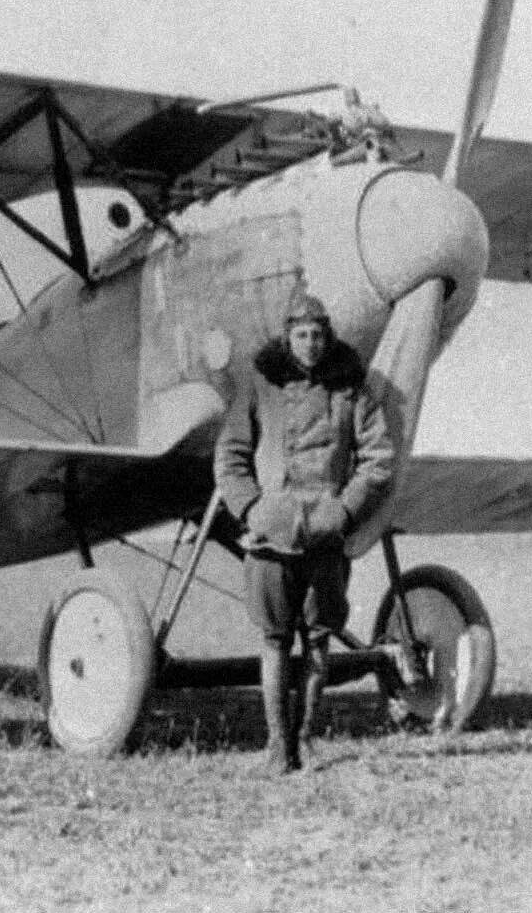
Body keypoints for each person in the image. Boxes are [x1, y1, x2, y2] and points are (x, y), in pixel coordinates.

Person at [213, 289, 395, 773]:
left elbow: (377, 460)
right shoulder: (259, 385)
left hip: (325, 536)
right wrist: (251, 510)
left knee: (317, 641)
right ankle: (277, 746)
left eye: (317, 335)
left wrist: (346, 511)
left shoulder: (351, 388)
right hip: (271, 537)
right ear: (287, 337)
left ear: (327, 338)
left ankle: (307, 739)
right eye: (301, 335)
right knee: (274, 640)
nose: (310, 344)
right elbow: (230, 454)